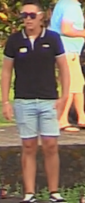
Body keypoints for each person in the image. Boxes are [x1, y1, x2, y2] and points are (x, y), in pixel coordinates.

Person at [1, 2, 70, 203]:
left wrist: (65, 96)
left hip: (49, 99)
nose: (28, 19)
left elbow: (63, 68)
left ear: (41, 17)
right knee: (29, 145)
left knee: (50, 144)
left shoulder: (52, 39)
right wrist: (5, 101)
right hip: (24, 99)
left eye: (32, 15)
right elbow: (6, 71)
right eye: (24, 16)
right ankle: (29, 192)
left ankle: (54, 191)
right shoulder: (14, 41)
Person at [49, 0, 85, 130]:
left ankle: (82, 117)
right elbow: (66, 29)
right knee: (70, 85)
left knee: (78, 84)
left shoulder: (63, 3)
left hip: (67, 51)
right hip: (67, 51)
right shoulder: (71, 6)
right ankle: (61, 120)